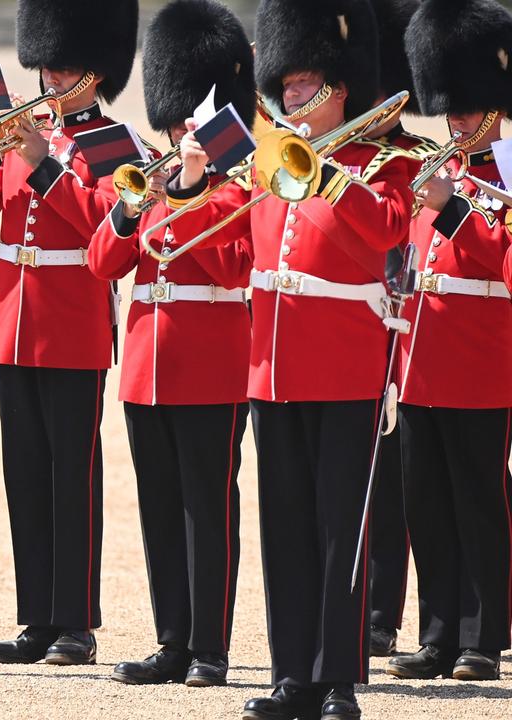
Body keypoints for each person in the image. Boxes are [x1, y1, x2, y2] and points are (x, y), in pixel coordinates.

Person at [172, 1, 415, 716]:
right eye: (286, 84)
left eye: (304, 84)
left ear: (340, 87)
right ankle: (294, 678)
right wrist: (189, 187)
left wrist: (331, 178)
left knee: (342, 528)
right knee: (285, 527)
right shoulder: (267, 164)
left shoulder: (388, 162)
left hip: (344, 364)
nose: (288, 97)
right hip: (271, 367)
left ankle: (339, 679)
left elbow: (384, 233)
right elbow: (230, 254)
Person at [0, 0, 138, 666]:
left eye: (63, 67)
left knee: (72, 476)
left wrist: (47, 162)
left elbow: (106, 223)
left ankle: (76, 622)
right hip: (13, 324)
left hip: (73, 326)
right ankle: (36, 617)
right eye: (45, 64)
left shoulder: (115, 143)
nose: (50, 76)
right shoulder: (14, 131)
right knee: (24, 474)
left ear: (94, 73)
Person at [90, 0, 253, 689]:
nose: (186, 126)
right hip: (147, 367)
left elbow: (234, 266)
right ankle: (172, 642)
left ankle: (211, 647)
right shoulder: (149, 176)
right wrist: (132, 207)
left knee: (207, 508)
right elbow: (103, 263)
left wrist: (188, 191)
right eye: (180, 113)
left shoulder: (240, 185)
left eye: (196, 114)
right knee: (160, 508)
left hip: (210, 366)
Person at [385, 0, 512, 683]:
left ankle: (483, 639)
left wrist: (457, 209)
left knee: (480, 504)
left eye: (471, 109)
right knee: (425, 505)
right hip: (420, 363)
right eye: (454, 110)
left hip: (484, 362)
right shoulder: (438, 165)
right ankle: (437, 635)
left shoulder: (509, 172)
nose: (460, 121)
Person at [360, 0, 441, 660]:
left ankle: (394, 612)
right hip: (355, 323)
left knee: (408, 477)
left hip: (412, 326)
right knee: (364, 480)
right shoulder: (340, 157)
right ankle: (371, 612)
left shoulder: (417, 155)